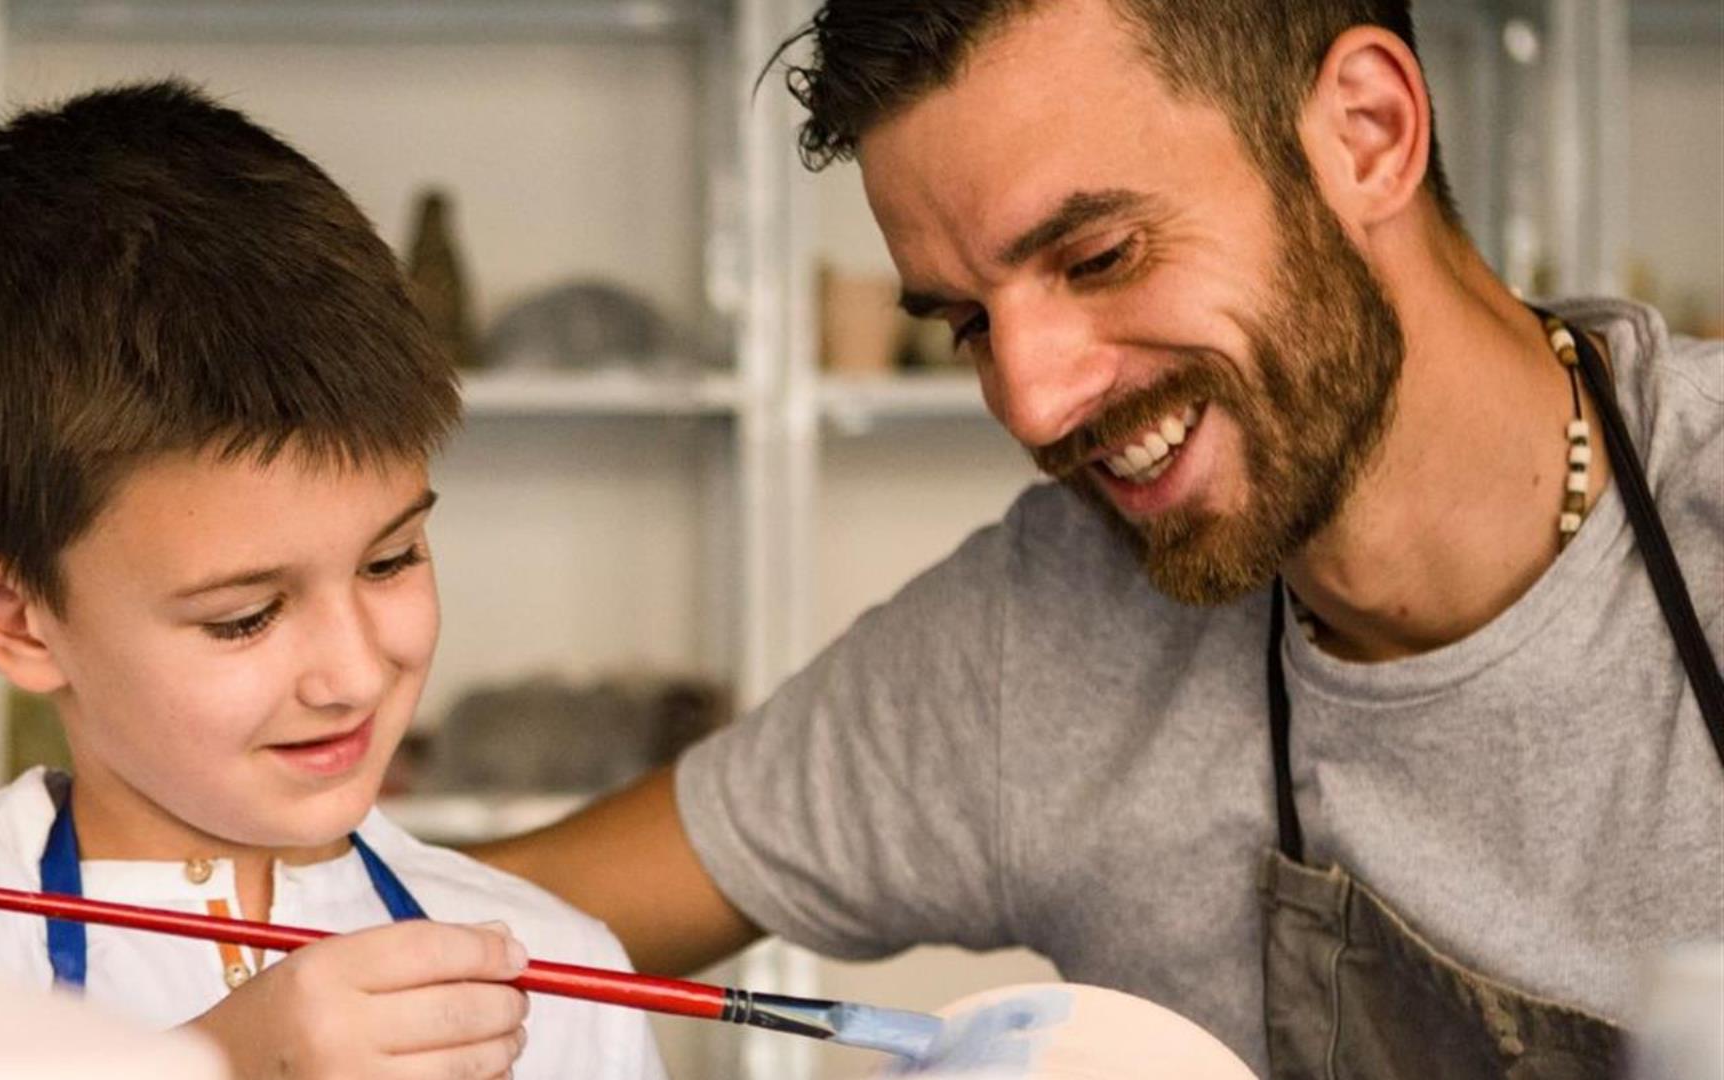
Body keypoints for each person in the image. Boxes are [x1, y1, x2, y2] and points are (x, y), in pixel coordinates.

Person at [470, 1, 1724, 1076]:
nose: (1031, 402)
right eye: (967, 320)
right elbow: (460, 928)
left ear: (1368, 135)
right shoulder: (1042, 636)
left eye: (1099, 255)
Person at [0, 80, 666, 1080]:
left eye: (391, 561)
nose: (349, 674)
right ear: (14, 616)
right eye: (245, 617)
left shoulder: (555, 978)